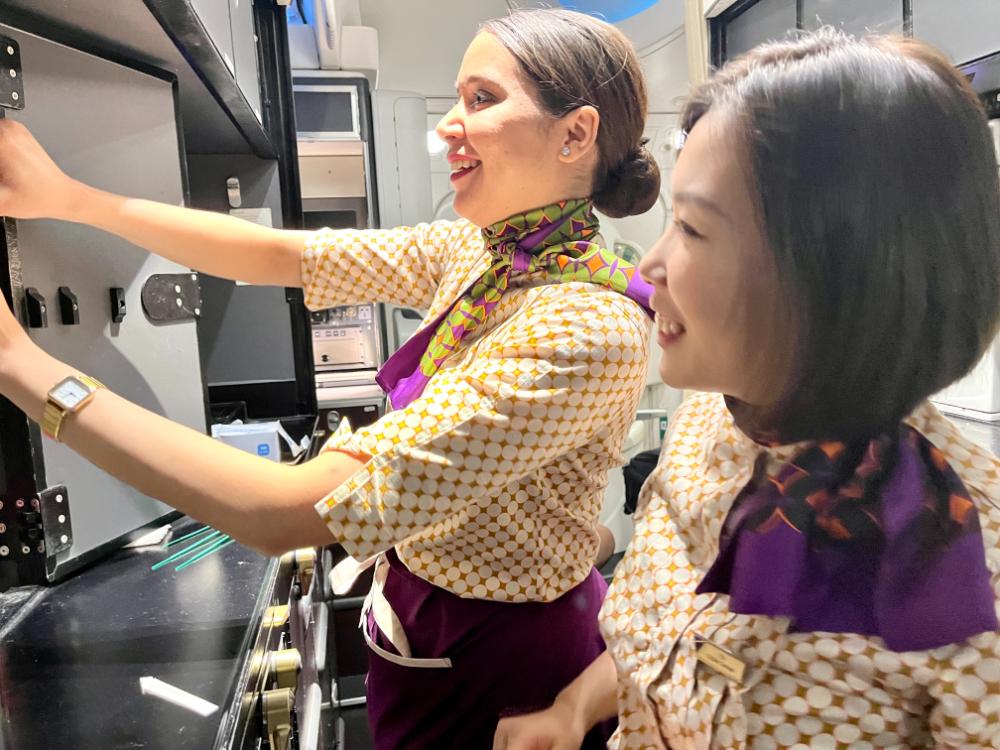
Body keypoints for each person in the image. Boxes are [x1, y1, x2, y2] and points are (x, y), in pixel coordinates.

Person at [0, 8, 661, 748]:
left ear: (575, 134)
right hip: (427, 621)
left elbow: (284, 509)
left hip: (505, 662)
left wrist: (23, 367)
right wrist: (70, 199)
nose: (448, 125)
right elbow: (280, 256)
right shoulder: (482, 253)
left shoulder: (583, 327)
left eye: (482, 99)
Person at [494, 29, 1000, 750]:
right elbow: (681, 634)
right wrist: (573, 709)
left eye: (693, 228)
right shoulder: (708, 424)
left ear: (837, 272)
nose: (652, 264)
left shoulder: (970, 555)